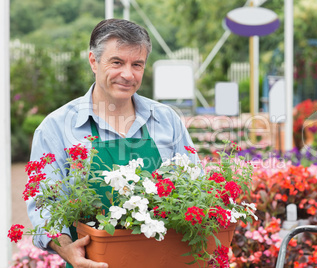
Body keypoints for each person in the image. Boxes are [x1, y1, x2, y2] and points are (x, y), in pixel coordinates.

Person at [26, 19, 199, 268]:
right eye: (117, 62)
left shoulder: (166, 120)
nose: (127, 74)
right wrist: (67, 250)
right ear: (93, 61)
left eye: (137, 64)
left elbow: (194, 185)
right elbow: (45, 204)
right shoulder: (56, 128)